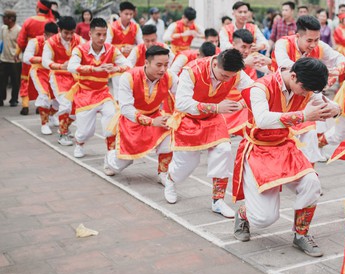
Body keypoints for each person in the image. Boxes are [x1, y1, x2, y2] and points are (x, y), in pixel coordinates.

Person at [232, 58, 340, 257]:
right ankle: (243, 214)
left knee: (312, 183)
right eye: (305, 88)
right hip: (259, 150)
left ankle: (301, 234)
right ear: (293, 76)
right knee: (265, 219)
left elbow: (325, 102)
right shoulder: (260, 88)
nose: (307, 93)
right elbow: (263, 120)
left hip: (285, 146)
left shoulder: (305, 86)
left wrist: (336, 109)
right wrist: (303, 116)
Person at [163, 49, 253, 218]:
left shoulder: (235, 74)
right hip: (188, 119)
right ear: (214, 64)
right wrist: (217, 107)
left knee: (224, 150)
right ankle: (171, 179)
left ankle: (217, 200)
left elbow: (253, 90)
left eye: (230, 77)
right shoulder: (192, 71)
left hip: (213, 119)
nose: (228, 79)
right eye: (224, 75)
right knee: (186, 164)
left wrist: (241, 104)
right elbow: (182, 103)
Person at [272, 15, 345, 163]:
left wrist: (335, 73)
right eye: (309, 40)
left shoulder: (319, 47)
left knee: (310, 136)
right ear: (298, 36)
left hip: (306, 96)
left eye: (317, 39)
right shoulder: (283, 44)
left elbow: (342, 59)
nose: (313, 44)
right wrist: (319, 72)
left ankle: (307, 173)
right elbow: (285, 65)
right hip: (280, 97)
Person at [105, 45, 177, 184]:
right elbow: (126, 109)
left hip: (156, 115)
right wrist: (151, 122)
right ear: (146, 63)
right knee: (122, 162)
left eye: (166, 65)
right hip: (131, 120)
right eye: (159, 65)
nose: (163, 69)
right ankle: (109, 157)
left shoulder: (169, 77)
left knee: (168, 137)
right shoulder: (129, 77)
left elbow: (181, 95)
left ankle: (163, 172)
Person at [67, 18, 129, 159]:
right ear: (90, 34)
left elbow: (127, 65)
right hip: (85, 94)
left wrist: (115, 68)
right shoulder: (80, 49)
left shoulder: (111, 49)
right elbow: (71, 67)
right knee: (86, 131)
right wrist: (94, 69)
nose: (102, 38)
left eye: (104, 34)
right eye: (98, 34)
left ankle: (111, 151)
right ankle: (80, 143)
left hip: (103, 92)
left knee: (111, 117)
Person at [42, 16, 83, 146]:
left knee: (79, 106)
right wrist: (61, 66)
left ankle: (63, 126)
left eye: (72, 33)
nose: (69, 36)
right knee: (65, 104)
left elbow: (88, 51)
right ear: (59, 30)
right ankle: (62, 134)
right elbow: (45, 61)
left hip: (75, 76)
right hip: (58, 76)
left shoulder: (79, 39)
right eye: (66, 33)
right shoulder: (51, 42)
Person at [16, 0, 56, 115]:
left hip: (31, 54)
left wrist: (18, 52)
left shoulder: (29, 21)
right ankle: (40, 106)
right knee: (44, 81)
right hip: (47, 54)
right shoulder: (51, 22)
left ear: (38, 8)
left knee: (25, 80)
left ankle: (25, 105)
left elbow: (21, 40)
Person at [23, 22, 59, 135]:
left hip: (54, 71)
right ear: (45, 35)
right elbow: (26, 58)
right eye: (51, 36)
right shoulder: (35, 42)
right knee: (44, 95)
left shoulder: (59, 42)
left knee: (60, 97)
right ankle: (44, 124)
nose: (53, 39)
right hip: (39, 70)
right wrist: (43, 59)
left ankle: (51, 115)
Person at [0, 10, 22, 107]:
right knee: (2, 81)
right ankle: (1, 99)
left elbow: (21, 45)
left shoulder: (19, 30)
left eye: (4, 17)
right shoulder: (3, 28)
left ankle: (14, 99)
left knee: (15, 81)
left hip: (15, 61)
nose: (3, 19)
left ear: (11, 19)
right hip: (4, 59)